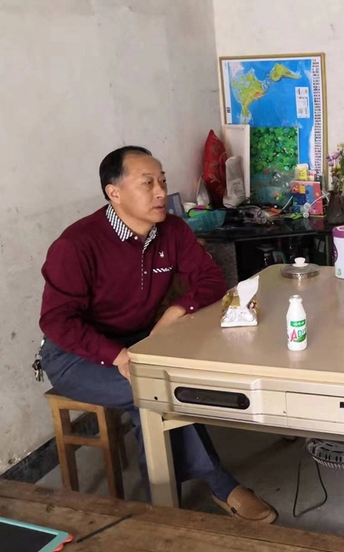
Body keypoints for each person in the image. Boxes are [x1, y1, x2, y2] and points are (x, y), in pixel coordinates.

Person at [39, 146, 277, 523]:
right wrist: (118, 356)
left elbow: (210, 279)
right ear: (114, 192)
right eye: (147, 183)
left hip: (139, 339)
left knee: (175, 382)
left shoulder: (172, 230)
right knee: (152, 392)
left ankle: (163, 503)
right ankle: (198, 495)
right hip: (76, 355)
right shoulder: (77, 245)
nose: (161, 192)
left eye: (162, 181)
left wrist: (175, 311)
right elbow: (57, 322)